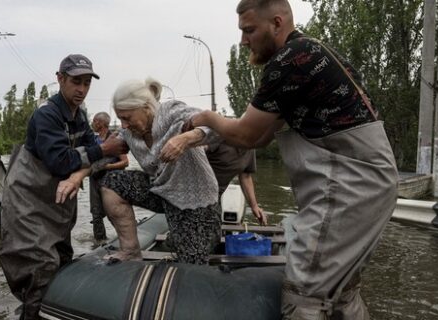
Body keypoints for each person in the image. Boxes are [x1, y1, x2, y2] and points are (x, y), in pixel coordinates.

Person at [181, 0, 398, 318]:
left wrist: (206, 118)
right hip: (371, 183)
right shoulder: (309, 52)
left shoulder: (290, 60)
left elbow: (247, 137)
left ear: (277, 23)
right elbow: (265, 135)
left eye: (249, 30)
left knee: (304, 293)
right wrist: (213, 131)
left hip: (349, 187)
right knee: (342, 287)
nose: (243, 41)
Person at [0, 54, 127, 320]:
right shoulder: (47, 114)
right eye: (75, 82)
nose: (81, 89)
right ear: (60, 79)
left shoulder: (79, 115)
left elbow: (92, 153)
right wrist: (102, 149)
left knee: (62, 258)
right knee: (39, 267)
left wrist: (85, 168)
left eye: (87, 83)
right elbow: (60, 161)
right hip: (28, 200)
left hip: (56, 199)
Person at [99, 77, 222, 265]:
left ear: (146, 107)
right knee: (112, 182)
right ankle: (130, 251)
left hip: (195, 201)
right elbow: (103, 152)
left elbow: (217, 128)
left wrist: (186, 138)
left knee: (191, 265)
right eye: (120, 118)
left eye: (126, 118)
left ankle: (185, 238)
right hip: (161, 192)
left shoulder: (171, 112)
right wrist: (76, 177)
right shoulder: (129, 133)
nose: (123, 125)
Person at [88, 112, 129, 246]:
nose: (93, 123)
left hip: (110, 181)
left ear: (101, 123)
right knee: (96, 214)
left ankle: (126, 240)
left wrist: (108, 166)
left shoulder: (115, 139)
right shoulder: (93, 140)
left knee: (114, 213)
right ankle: (99, 243)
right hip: (94, 180)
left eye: (94, 121)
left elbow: (125, 162)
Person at [205, 142, 267, 225]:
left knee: (214, 230)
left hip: (215, 197)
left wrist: (254, 206)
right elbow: (196, 148)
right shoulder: (219, 136)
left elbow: (245, 176)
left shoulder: (250, 149)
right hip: (194, 192)